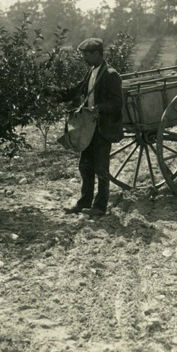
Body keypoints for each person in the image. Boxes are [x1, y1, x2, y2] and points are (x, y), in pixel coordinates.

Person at [56, 38, 124, 218]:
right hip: (89, 128)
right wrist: (57, 94)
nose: (84, 58)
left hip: (103, 128)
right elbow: (77, 90)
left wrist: (99, 108)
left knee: (101, 169)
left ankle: (100, 207)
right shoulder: (91, 72)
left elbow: (117, 103)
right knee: (85, 166)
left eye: (87, 54)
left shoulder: (111, 74)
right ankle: (84, 202)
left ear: (96, 53)